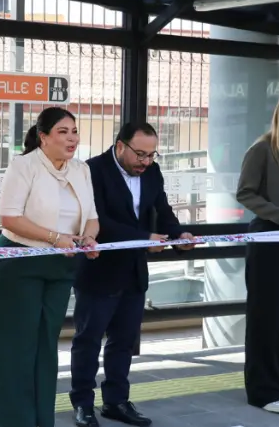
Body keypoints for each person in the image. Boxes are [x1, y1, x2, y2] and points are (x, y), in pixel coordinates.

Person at [70, 122, 196, 427]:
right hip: (98, 269)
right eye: (140, 154)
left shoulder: (151, 172)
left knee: (124, 340)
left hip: (134, 270)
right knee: (88, 340)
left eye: (152, 155)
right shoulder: (92, 171)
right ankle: (83, 404)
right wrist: (143, 237)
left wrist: (179, 236)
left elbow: (161, 209)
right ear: (120, 146)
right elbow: (97, 219)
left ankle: (116, 401)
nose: (145, 161)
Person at [0, 107, 100, 427]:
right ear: (44, 136)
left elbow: (91, 216)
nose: (72, 138)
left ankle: (40, 421)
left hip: (60, 267)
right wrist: (55, 237)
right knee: (16, 351)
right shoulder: (24, 165)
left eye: (75, 131)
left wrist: (89, 238)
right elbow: (9, 218)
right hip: (18, 263)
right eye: (63, 132)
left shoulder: (81, 170)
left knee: (46, 349)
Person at [235, 102, 279, 415]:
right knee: (265, 316)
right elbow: (245, 193)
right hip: (267, 239)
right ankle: (263, 391)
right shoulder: (262, 149)